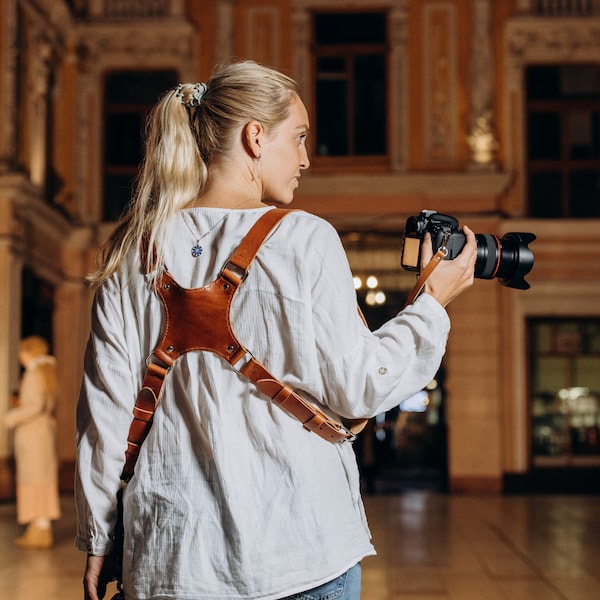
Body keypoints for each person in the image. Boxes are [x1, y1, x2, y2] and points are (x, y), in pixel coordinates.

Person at [76, 60, 476, 600]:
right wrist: (433, 303)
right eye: (300, 137)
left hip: (172, 555)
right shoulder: (303, 238)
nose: (307, 159)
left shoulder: (132, 253)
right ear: (255, 137)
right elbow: (361, 384)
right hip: (301, 549)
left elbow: (103, 415)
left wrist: (100, 539)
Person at [3, 335, 61, 549]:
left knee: (34, 479)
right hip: (42, 432)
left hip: (33, 434)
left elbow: (34, 405)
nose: (19, 356)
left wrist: (11, 417)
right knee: (40, 479)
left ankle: (40, 528)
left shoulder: (34, 374)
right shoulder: (45, 373)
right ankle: (38, 528)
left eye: (21, 351)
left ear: (29, 352)